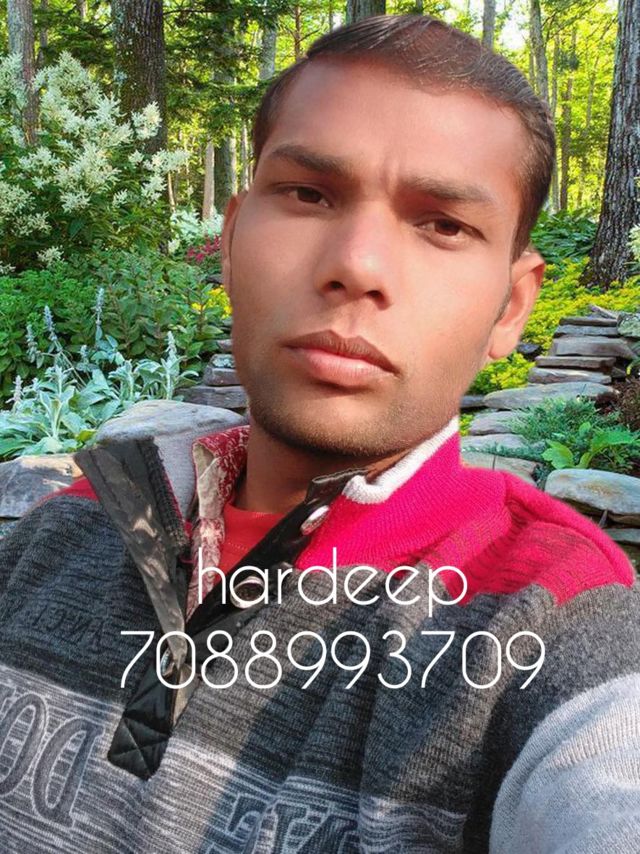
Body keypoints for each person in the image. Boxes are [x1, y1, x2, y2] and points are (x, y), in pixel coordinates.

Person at [0, 13, 639, 854]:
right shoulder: (69, 522)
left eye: (443, 224)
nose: (357, 266)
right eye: (309, 194)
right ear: (231, 241)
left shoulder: (553, 620)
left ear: (511, 307)